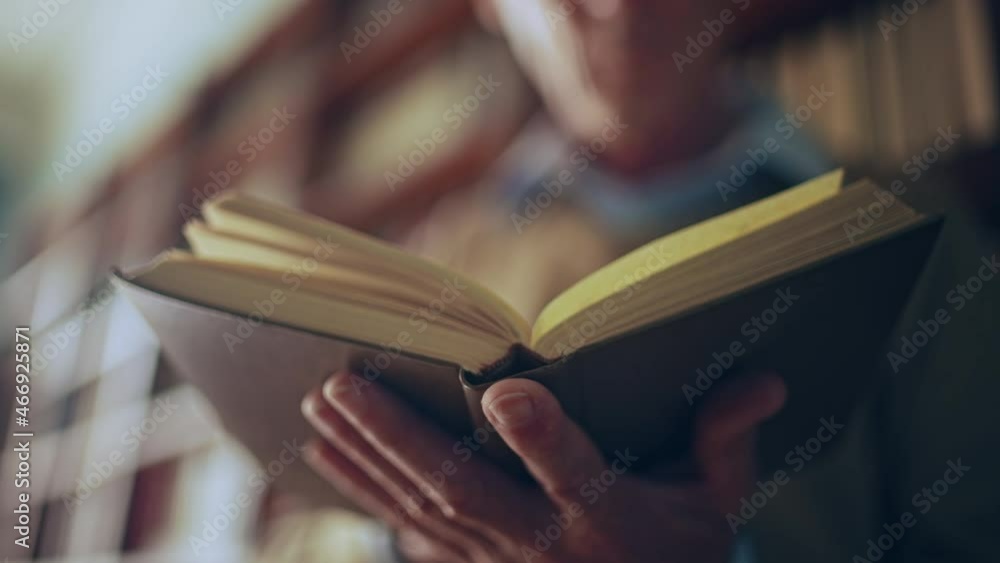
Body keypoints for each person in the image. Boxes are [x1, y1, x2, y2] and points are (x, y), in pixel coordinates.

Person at [290, 1, 1000, 561]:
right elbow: (298, 537)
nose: (619, 6)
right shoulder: (432, 260)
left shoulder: (913, 229)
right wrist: (410, 539)